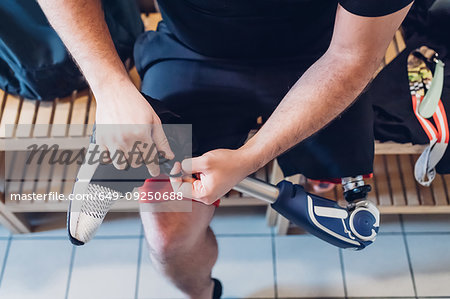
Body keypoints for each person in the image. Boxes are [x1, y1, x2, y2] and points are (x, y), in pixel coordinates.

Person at [37, 1, 413, 298]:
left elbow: (351, 55)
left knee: (329, 171)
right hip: (193, 49)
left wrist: (250, 158)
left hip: (323, 54)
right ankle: (201, 295)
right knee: (166, 234)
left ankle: (317, 172)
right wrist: (109, 85)